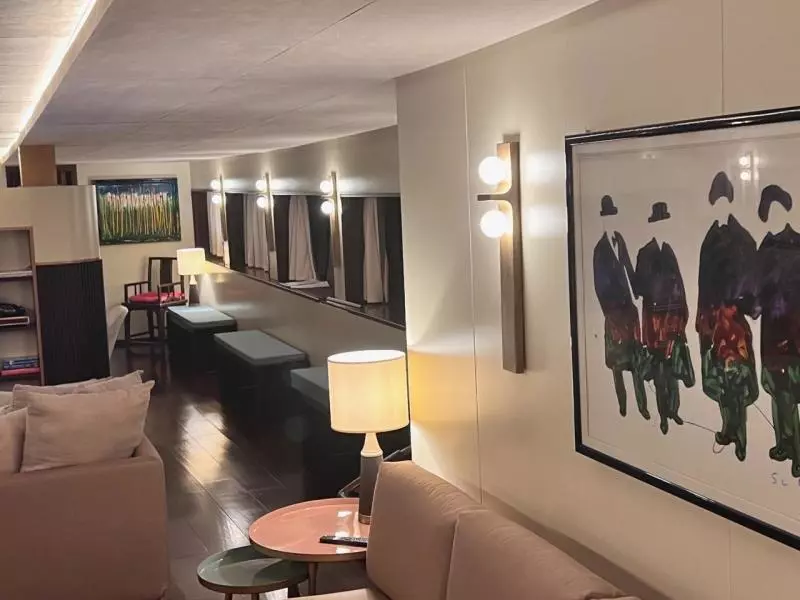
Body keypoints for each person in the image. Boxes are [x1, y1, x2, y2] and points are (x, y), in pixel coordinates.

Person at [696, 172, 759, 461]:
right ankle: (728, 427)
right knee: (720, 381)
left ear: (731, 202)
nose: (720, 207)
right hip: (712, 323)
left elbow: (751, 285)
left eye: (724, 201)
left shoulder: (743, 239)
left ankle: (740, 437)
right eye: (716, 202)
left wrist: (740, 308)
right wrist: (702, 321)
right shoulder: (709, 240)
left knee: (737, 381)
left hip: (734, 324)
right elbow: (702, 284)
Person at [632, 201, 695, 434]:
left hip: (672, 323)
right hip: (655, 325)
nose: (664, 226)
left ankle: (673, 410)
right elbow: (639, 289)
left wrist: (681, 319)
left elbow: (680, 288)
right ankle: (663, 417)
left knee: (673, 374)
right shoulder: (645, 254)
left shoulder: (669, 251)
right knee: (660, 376)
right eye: (660, 221)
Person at [752, 185, 800, 477]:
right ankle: (784, 445)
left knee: (787, 394)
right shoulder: (769, 246)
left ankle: (796, 452)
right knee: (781, 394)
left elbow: (759, 296)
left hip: (786, 337)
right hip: (778, 336)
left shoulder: (780, 247)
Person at [592, 195, 649, 419]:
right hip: (614, 314)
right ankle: (622, 405)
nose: (611, 221)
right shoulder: (600, 250)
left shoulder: (620, 240)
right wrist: (611, 313)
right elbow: (599, 286)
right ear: (603, 221)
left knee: (635, 361)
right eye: (607, 218)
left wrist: (638, 292)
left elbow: (629, 268)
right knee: (617, 365)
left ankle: (642, 406)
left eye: (613, 217)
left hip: (629, 310)